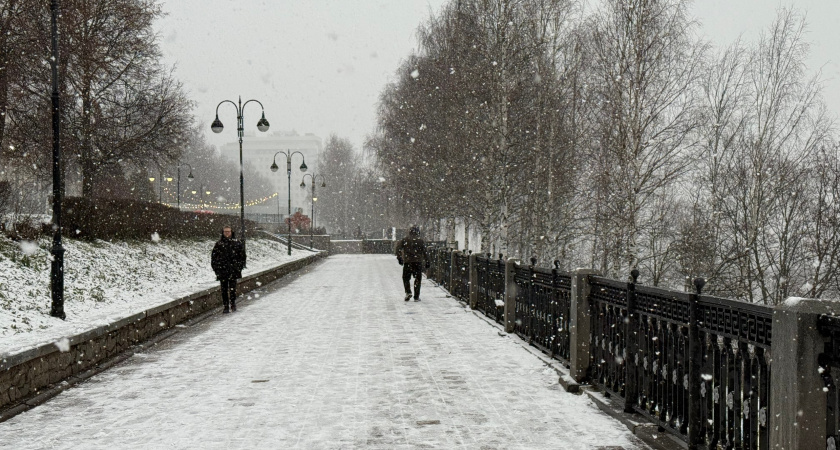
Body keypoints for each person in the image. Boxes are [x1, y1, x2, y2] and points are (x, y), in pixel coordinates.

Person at [211, 225, 246, 313]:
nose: (227, 233)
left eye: (228, 231)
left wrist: (238, 268)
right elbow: (214, 258)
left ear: (231, 232)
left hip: (233, 270)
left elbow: (242, 257)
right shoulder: (219, 244)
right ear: (223, 233)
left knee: (232, 288)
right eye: (225, 231)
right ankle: (226, 306)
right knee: (224, 289)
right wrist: (217, 269)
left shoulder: (237, 243)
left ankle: (233, 303)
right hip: (222, 270)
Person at [395, 225, 429, 301]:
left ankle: (408, 292)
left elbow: (398, 248)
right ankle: (416, 296)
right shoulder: (420, 241)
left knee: (406, 278)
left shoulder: (405, 240)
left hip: (408, 262)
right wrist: (427, 261)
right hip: (418, 262)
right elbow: (425, 252)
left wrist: (399, 257)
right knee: (417, 279)